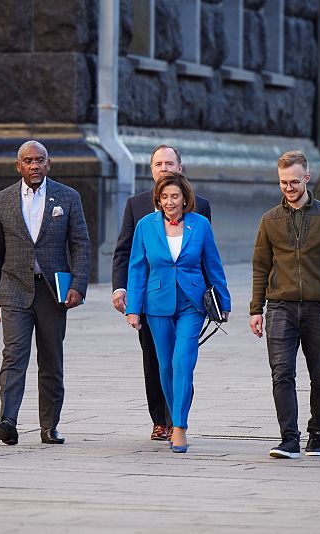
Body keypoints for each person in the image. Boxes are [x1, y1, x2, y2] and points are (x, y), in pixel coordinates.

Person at [0, 140, 90, 446]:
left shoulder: (67, 198)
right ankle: (8, 421)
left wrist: (78, 286)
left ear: (48, 163)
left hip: (53, 292)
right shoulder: (1, 200)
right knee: (14, 356)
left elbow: (81, 244)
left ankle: (49, 426)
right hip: (14, 290)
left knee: (52, 360)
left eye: (40, 160)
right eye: (28, 161)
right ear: (19, 166)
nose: (34, 166)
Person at [249, 150, 320, 459]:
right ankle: (289, 438)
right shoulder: (270, 220)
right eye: (283, 183)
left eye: (294, 181)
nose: (288, 188)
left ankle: (316, 435)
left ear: (307, 178)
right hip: (280, 305)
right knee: (282, 372)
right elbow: (261, 266)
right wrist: (256, 309)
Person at [112, 144, 212, 442]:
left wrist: (210, 298)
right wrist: (123, 290)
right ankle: (160, 419)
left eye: (170, 164)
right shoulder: (136, 206)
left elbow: (206, 256)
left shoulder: (201, 208)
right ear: (152, 169)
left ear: (179, 168)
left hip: (189, 300)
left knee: (181, 359)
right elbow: (126, 254)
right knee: (155, 358)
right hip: (152, 298)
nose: (164, 169)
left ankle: (176, 422)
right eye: (159, 164)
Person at [125, 172, 230, 453]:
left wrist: (224, 302)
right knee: (166, 366)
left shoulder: (201, 225)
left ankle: (180, 426)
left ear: (185, 199)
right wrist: (133, 309)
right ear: (158, 200)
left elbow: (213, 265)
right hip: (157, 302)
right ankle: (171, 422)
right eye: (165, 197)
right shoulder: (146, 226)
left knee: (183, 362)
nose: (170, 202)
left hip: (191, 303)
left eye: (175, 196)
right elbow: (136, 268)